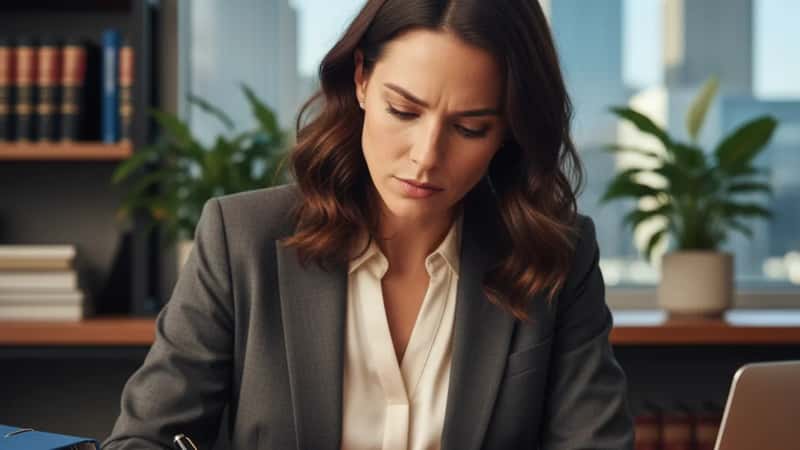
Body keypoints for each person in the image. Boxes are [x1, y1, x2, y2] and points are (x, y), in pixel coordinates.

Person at [103, 0, 634, 448]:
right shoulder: (240, 238)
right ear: (360, 79)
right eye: (403, 111)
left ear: (508, 134)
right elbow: (142, 438)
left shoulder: (557, 258)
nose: (426, 157)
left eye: (470, 128)